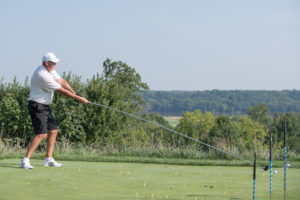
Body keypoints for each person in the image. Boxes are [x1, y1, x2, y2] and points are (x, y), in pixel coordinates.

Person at [19, 52, 88, 169]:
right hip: (37, 105)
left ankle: (48, 159)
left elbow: (61, 81)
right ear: (47, 63)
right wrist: (78, 99)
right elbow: (61, 90)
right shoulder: (42, 74)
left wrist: (75, 93)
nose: (55, 65)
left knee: (53, 131)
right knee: (41, 134)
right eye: (53, 63)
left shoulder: (50, 70)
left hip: (45, 105)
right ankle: (25, 160)